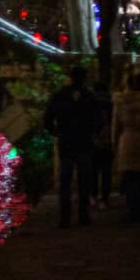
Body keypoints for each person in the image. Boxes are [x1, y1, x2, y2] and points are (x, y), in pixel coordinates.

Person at [44, 66, 99, 227]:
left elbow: (48, 118)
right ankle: (83, 215)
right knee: (84, 181)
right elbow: (99, 119)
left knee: (65, 181)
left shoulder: (60, 96)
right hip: (84, 142)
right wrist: (92, 132)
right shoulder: (89, 96)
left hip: (66, 142)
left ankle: (65, 217)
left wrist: (57, 132)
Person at [113, 69, 140, 222]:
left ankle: (132, 209)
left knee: (130, 178)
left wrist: (114, 143)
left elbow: (116, 126)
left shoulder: (120, 102)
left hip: (127, 139)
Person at [90, 80, 114, 210]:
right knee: (106, 171)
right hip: (107, 141)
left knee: (93, 171)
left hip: (93, 141)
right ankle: (104, 198)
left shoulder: (90, 105)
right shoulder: (111, 104)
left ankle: (93, 195)